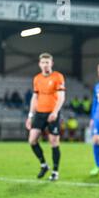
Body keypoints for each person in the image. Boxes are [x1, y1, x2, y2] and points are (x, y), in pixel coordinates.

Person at [25, 52, 66, 181]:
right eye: (43, 63)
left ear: (51, 64)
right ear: (39, 64)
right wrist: (30, 115)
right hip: (39, 113)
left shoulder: (58, 77)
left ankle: (55, 172)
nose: (45, 65)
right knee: (32, 140)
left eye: (47, 63)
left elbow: (61, 97)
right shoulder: (37, 78)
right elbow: (34, 97)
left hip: (52, 113)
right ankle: (44, 165)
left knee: (53, 142)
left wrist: (55, 112)